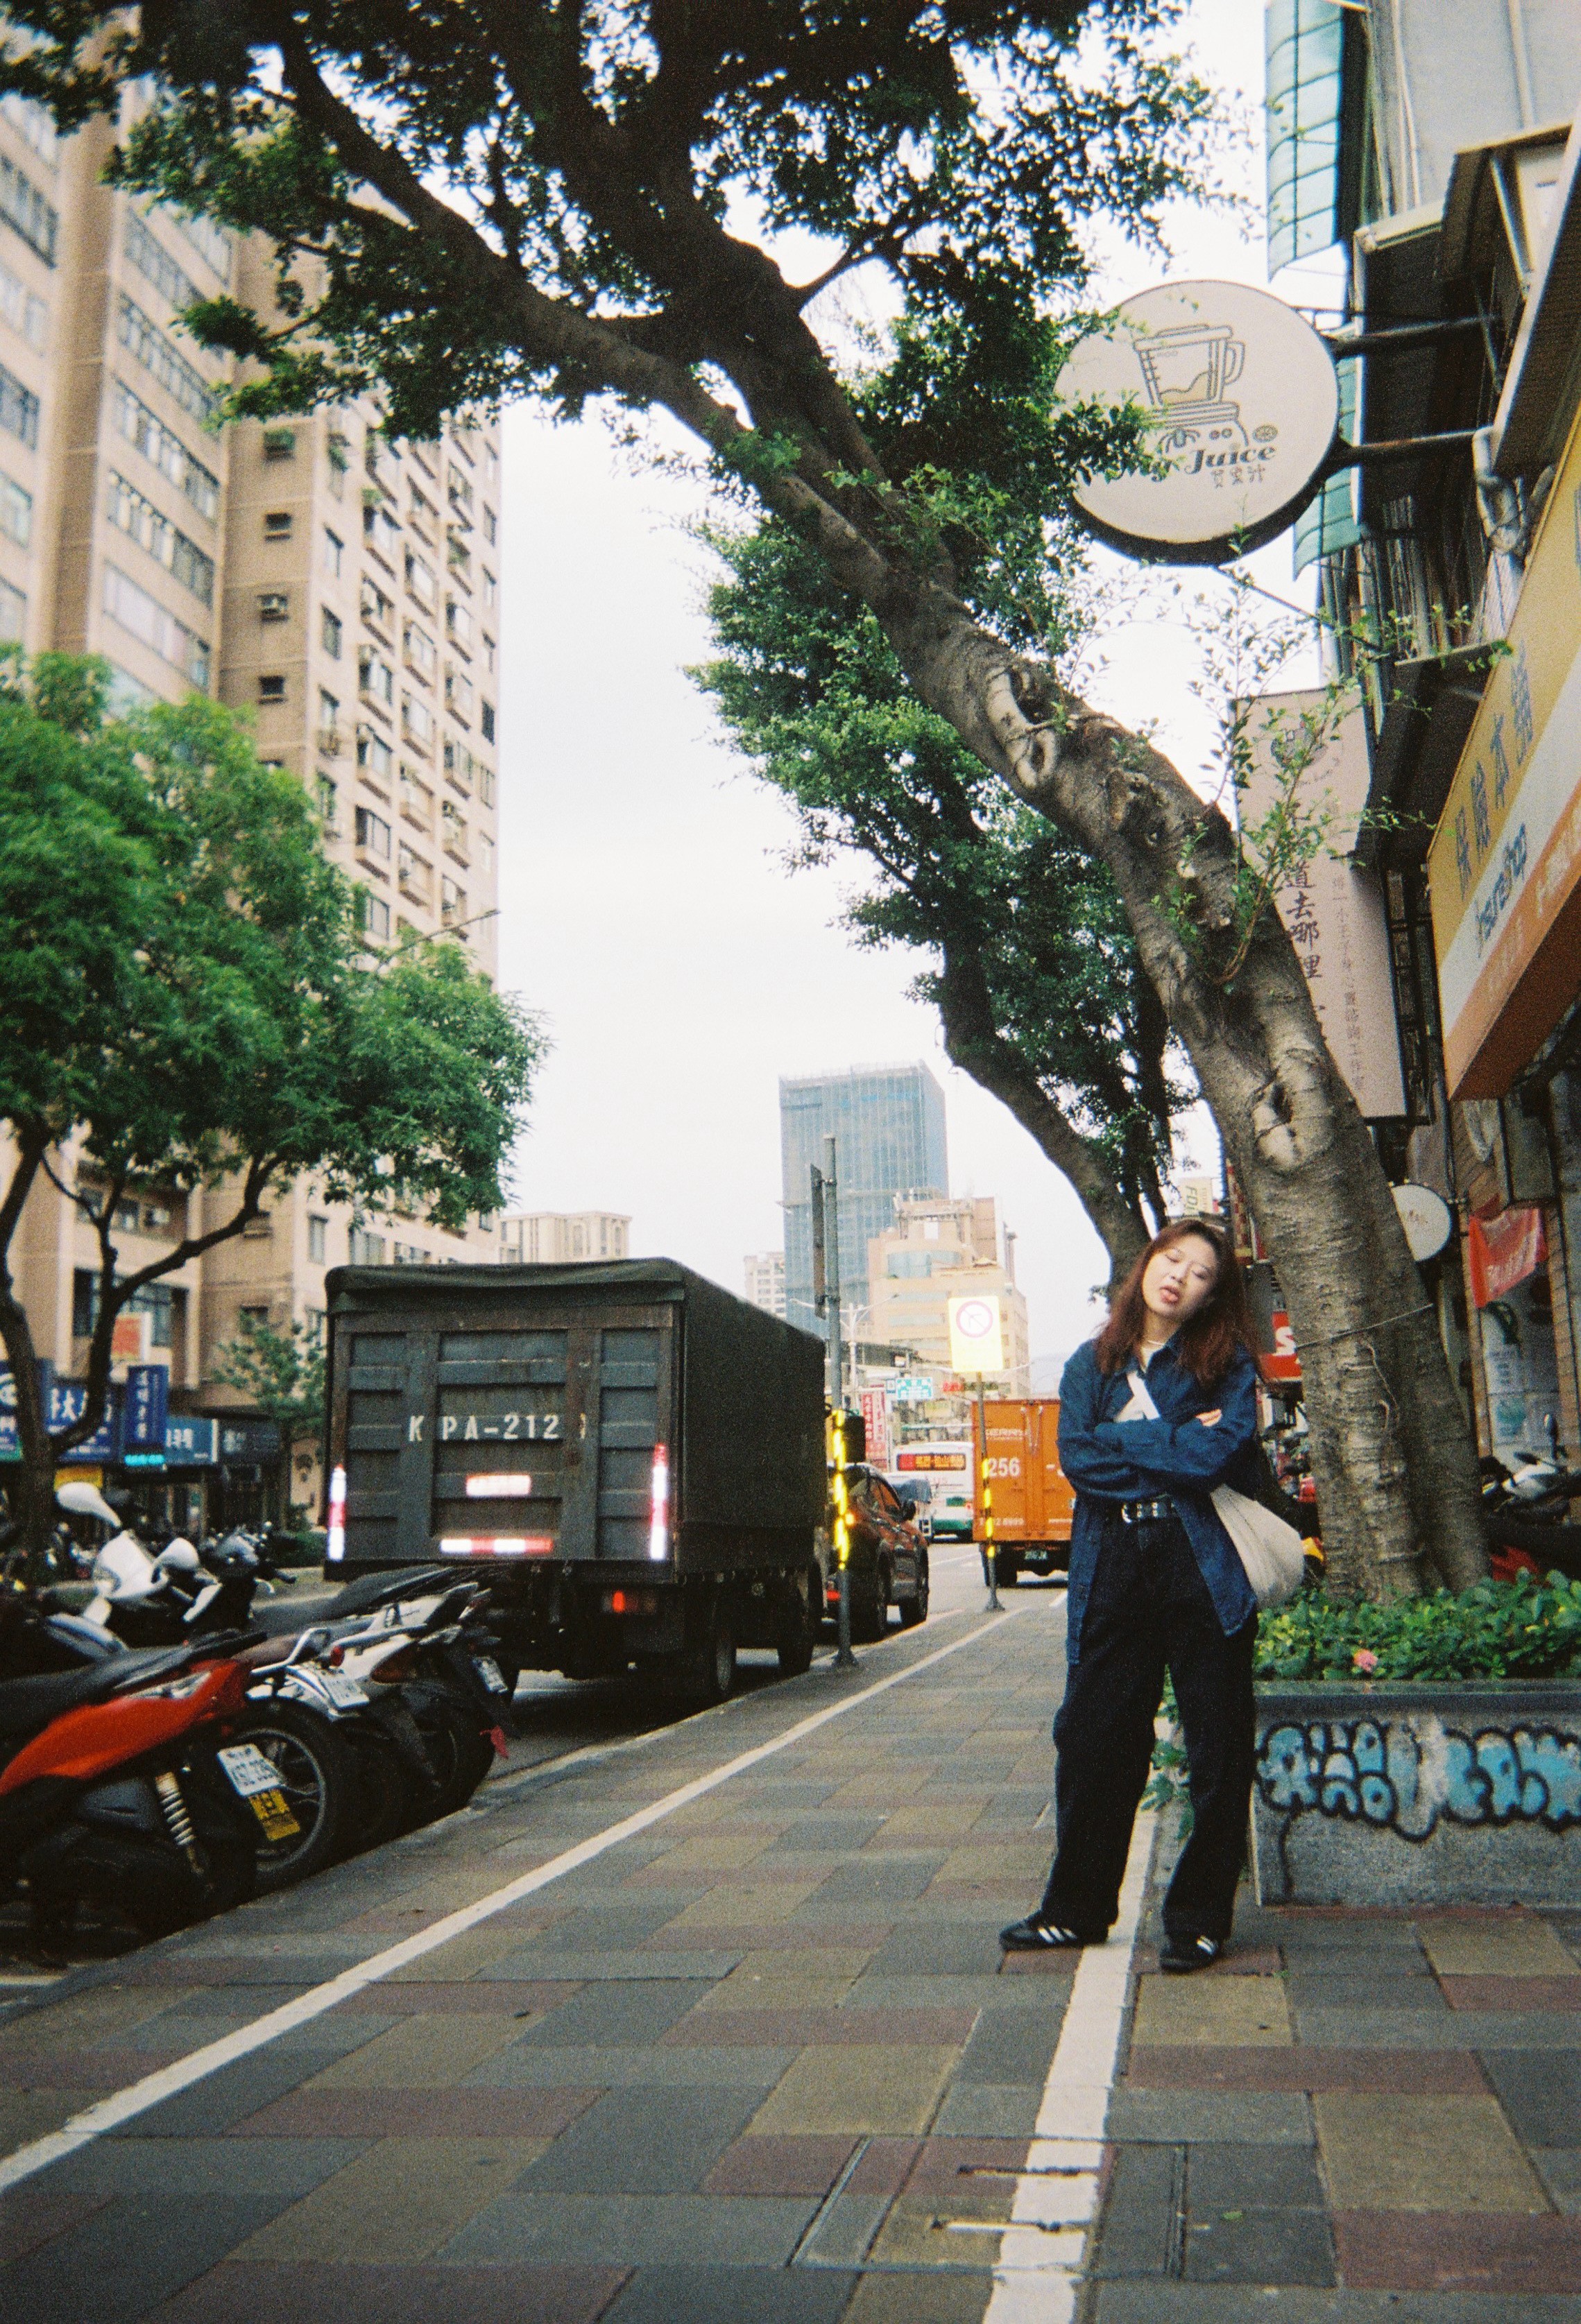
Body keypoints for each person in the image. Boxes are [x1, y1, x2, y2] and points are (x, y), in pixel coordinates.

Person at [1001, 1217, 1265, 1973]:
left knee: (1217, 1745)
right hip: (1114, 1563)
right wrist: (1174, 1442)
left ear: (1211, 1296)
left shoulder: (1225, 1364)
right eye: (1171, 1259)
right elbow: (1079, 1461)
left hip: (1198, 1562)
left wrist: (1127, 1440)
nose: (1179, 1277)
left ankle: (1199, 1920)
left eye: (1200, 1273)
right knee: (1093, 1740)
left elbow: (1219, 1455)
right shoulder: (1090, 1363)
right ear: (1147, 1264)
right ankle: (1075, 1910)